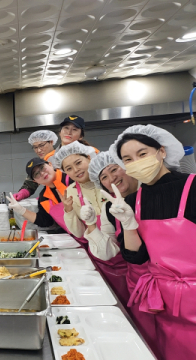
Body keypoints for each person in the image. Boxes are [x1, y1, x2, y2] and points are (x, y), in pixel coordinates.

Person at [104, 124, 193, 360]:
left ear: (161, 151)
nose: (136, 161)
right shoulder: (132, 201)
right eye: (128, 159)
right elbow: (136, 257)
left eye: (142, 154)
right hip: (161, 302)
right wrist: (128, 225)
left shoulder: (193, 188)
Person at [88, 151, 160, 360]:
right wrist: (92, 226)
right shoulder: (110, 207)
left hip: (177, 288)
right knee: (146, 343)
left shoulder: (154, 194)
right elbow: (109, 251)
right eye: (104, 177)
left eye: (114, 169)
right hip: (138, 284)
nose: (112, 179)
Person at [52, 141, 103, 249]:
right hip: (98, 252)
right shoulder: (71, 192)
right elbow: (79, 233)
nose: (76, 170)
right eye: (69, 168)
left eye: (78, 163)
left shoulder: (107, 179)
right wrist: (68, 210)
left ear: (89, 157)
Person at [7, 157, 73, 231]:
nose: (42, 173)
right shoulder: (44, 197)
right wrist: (21, 210)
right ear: (35, 181)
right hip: (76, 237)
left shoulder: (72, 178)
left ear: (50, 164)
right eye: (36, 174)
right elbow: (46, 221)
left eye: (42, 168)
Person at [13, 130, 58, 201]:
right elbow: (30, 184)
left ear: (51, 142)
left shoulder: (62, 158)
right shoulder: (39, 163)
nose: (38, 150)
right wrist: (22, 193)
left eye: (41, 145)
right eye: (35, 147)